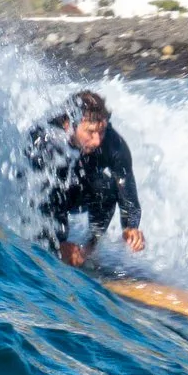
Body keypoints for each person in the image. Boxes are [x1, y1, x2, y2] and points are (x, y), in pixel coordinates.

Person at [28, 89, 145, 267]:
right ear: (69, 125)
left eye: (102, 131)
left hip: (78, 191)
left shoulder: (112, 143)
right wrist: (57, 244)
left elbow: (126, 186)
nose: (98, 140)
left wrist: (131, 226)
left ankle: (88, 250)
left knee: (106, 187)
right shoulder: (46, 140)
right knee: (52, 193)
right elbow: (39, 197)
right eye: (90, 132)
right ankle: (57, 248)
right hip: (42, 196)